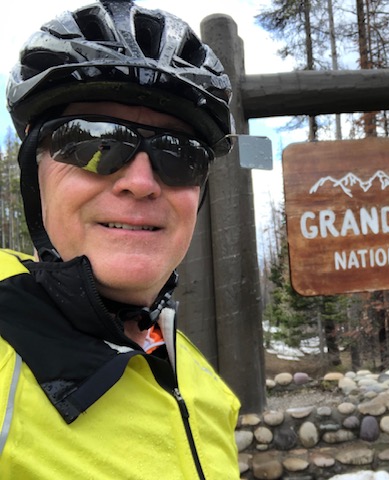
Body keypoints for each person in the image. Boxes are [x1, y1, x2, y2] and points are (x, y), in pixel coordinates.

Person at [0, 1, 241, 478]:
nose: (141, 182)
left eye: (179, 154)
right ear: (34, 171)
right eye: (95, 141)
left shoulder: (202, 383)